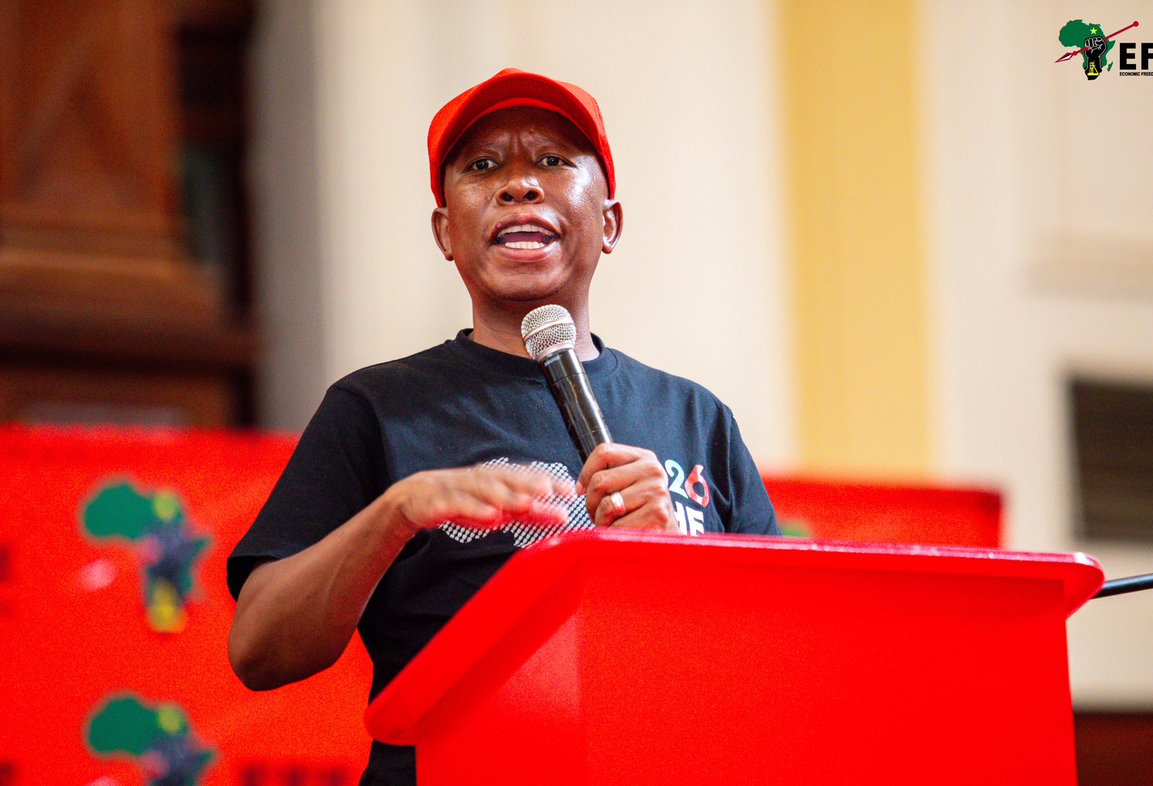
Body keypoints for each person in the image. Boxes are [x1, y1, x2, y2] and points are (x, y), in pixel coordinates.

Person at [226, 68, 780, 785]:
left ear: (609, 223)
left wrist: (674, 568)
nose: (518, 184)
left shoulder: (695, 417)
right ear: (444, 231)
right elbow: (258, 651)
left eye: (552, 161)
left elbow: (772, 672)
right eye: (483, 166)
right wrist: (393, 515)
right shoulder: (374, 408)